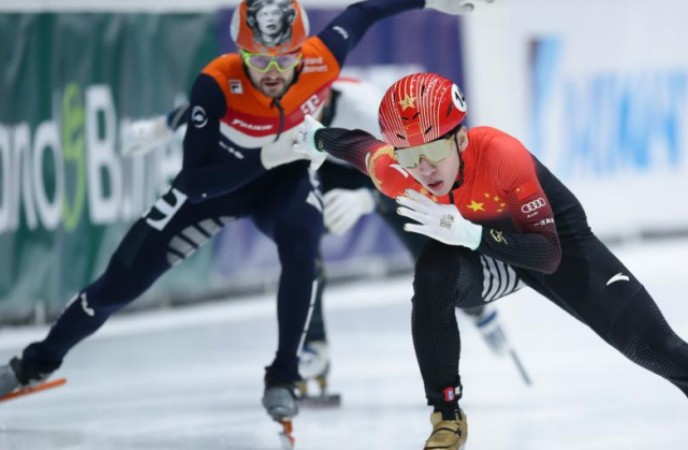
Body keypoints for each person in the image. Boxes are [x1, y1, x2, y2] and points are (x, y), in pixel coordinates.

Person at [0, 0, 492, 427]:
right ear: (240, 53)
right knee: (118, 283)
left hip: (285, 183)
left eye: (284, 58)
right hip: (221, 183)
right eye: (259, 59)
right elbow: (192, 180)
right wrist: (264, 156)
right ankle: (34, 363)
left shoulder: (324, 59)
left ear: (303, 52)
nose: (273, 70)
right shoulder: (216, 82)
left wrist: (430, 1)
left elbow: (366, 11)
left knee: (304, 248)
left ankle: (283, 376)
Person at [292, 72, 688, 450]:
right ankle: (447, 415)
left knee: (657, 349)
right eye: (410, 155)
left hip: (557, 249)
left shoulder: (501, 155)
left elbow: (547, 257)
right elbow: (359, 147)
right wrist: (314, 137)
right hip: (493, 255)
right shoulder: (399, 169)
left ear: (461, 139)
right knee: (434, 272)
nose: (423, 169)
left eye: (436, 150)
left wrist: (467, 231)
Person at [119, 77, 519, 397]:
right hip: (310, 162)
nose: (302, 113)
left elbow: (416, 175)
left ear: (326, 98)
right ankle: (316, 344)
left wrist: (367, 199)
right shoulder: (277, 104)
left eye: (310, 107)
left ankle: (478, 309)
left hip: (374, 163)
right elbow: (219, 106)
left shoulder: (362, 110)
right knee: (300, 239)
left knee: (425, 238)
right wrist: (161, 126)